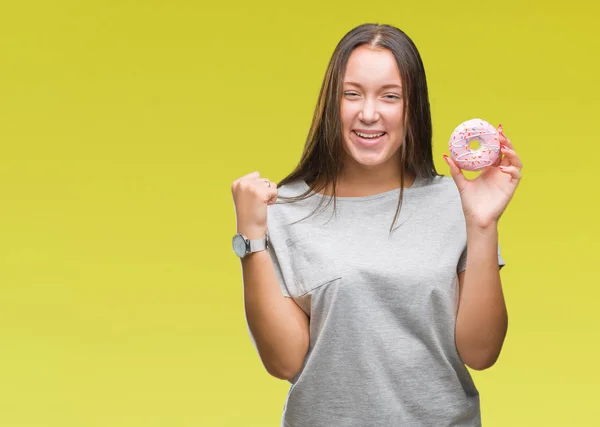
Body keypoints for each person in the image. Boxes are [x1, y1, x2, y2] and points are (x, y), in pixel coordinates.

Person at [230, 23, 522, 427]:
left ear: (412, 107)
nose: (369, 113)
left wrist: (483, 224)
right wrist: (250, 238)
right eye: (352, 94)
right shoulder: (286, 208)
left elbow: (481, 351)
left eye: (390, 96)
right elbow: (285, 361)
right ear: (332, 104)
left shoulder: (457, 203)